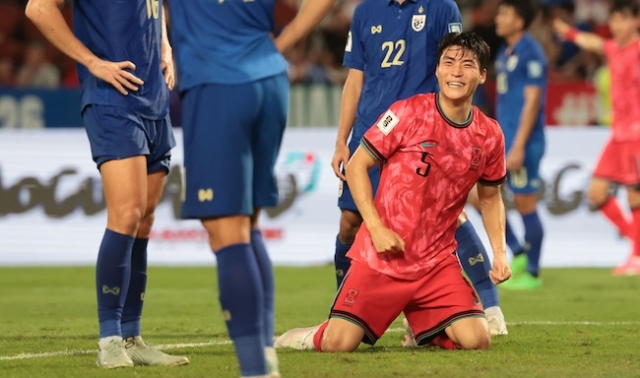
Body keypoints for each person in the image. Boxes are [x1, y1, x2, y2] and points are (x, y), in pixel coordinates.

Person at [275, 31, 511, 353]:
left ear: (482, 75)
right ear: (437, 70)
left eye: (467, 65)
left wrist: (499, 253)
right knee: (338, 344)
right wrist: (376, 228)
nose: (457, 72)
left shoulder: (489, 135)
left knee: (477, 338)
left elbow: (490, 196)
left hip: (436, 265)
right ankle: (306, 336)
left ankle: (424, 329)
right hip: (382, 259)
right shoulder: (404, 113)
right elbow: (357, 165)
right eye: (449, 63)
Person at [166, 0, 337, 377]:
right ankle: (263, 355)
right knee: (247, 225)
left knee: (226, 233)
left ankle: (256, 369)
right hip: (269, 80)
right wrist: (282, 43)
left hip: (218, 83)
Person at [25, 0, 188, 369]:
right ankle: (110, 339)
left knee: (144, 219)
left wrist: (165, 46)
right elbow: (37, 9)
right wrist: (92, 62)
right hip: (112, 100)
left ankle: (133, 337)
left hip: (154, 99)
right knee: (127, 213)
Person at [331, 0, 508, 335]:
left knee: (445, 215)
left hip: (423, 130)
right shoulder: (366, 11)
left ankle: (490, 304)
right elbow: (356, 78)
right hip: (374, 128)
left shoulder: (442, 8)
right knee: (350, 223)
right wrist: (343, 138)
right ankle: (343, 303)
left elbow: (461, 61)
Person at [554, 0, 640, 276]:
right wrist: (568, 33)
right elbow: (592, 42)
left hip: (637, 134)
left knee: (635, 195)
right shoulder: (614, 48)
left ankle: (637, 257)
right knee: (596, 192)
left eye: (623, 19)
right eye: (614, 20)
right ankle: (635, 242)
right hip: (617, 135)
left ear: (636, 21)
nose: (617, 25)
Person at [472, 0, 547, 290]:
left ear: (520, 19)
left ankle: (533, 271)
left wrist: (517, 146)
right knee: (478, 196)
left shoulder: (531, 53)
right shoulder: (505, 53)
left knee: (526, 202)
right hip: (505, 139)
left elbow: (532, 102)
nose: (499, 18)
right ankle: (516, 252)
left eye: (505, 13)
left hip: (524, 142)